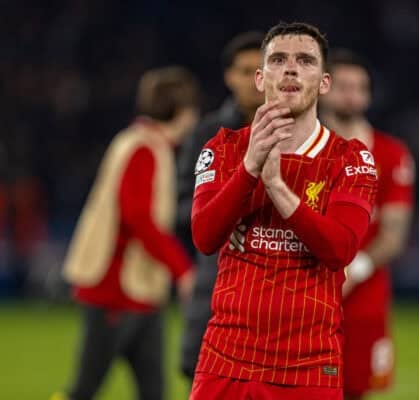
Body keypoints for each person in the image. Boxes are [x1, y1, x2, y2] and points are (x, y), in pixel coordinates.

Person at [188, 22, 378, 400]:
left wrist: (276, 186)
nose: (290, 69)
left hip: (307, 366)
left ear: (324, 83)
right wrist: (248, 170)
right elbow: (205, 237)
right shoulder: (223, 148)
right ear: (260, 78)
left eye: (305, 60)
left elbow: (340, 249)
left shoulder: (351, 158)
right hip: (226, 358)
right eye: (278, 59)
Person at [53, 66, 199, 400]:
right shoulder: (145, 148)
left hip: (141, 291)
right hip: (117, 288)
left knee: (152, 392)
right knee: (85, 388)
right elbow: (138, 219)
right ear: (180, 110)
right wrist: (182, 270)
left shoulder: (139, 142)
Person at [319, 48, 414, 400]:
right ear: (323, 87)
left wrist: (355, 269)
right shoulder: (298, 147)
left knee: (355, 389)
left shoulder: (391, 154)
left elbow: (395, 233)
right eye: (344, 85)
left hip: (363, 299)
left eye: (361, 87)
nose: (353, 95)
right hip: (307, 293)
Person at [176, 30, 265, 380]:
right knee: (204, 376)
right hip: (218, 281)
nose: (255, 81)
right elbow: (182, 207)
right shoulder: (207, 135)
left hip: (277, 286)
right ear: (229, 76)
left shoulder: (299, 132)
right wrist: (232, 209)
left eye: (261, 71)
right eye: (245, 71)